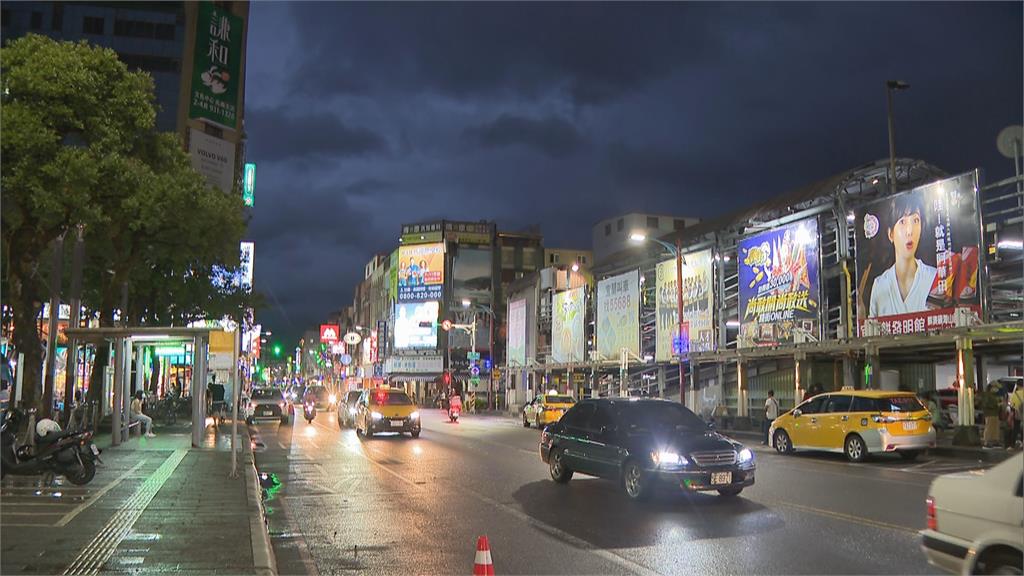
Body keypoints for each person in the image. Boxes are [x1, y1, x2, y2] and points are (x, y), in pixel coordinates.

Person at [868, 194, 938, 318]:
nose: (909, 231)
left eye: (915, 220)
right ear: (891, 234)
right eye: (902, 222)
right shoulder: (880, 286)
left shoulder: (934, 278)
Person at [978, 384, 1001, 448]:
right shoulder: (986, 395)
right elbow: (987, 404)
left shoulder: (992, 395)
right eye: (994, 387)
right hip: (990, 414)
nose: (996, 389)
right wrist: (997, 405)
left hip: (995, 413)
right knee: (989, 428)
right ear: (990, 388)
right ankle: (986, 442)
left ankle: (994, 441)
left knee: (995, 428)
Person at [1009, 382, 1024, 449]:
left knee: (1016, 429)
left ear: (1017, 385)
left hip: (1018, 414)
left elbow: (1012, 405)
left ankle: (1012, 445)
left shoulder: (1015, 394)